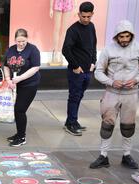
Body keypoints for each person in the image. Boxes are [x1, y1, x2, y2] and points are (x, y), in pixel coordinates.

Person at [90, 20, 139, 170]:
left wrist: (136, 79)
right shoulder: (108, 50)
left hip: (131, 94)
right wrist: (111, 82)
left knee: (128, 126)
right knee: (107, 124)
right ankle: (103, 155)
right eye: (121, 36)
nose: (124, 39)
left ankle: (127, 155)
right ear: (116, 36)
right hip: (112, 93)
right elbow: (98, 71)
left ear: (131, 36)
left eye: (127, 36)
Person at [62, 1, 97, 136]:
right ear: (79, 14)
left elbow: (94, 45)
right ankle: (71, 123)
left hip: (88, 70)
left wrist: (94, 62)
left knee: (79, 96)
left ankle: (72, 121)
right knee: (74, 96)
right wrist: (75, 66)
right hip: (76, 71)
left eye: (89, 16)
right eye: (84, 17)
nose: (86, 19)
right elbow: (65, 50)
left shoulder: (91, 26)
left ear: (92, 14)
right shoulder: (73, 30)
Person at [5, 29, 41, 147]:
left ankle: (21, 137)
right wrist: (8, 79)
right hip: (15, 83)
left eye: (23, 41)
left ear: (27, 39)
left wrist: (20, 78)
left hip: (29, 83)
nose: (21, 43)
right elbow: (6, 65)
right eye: (18, 41)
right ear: (15, 40)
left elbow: (35, 68)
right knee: (17, 109)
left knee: (20, 109)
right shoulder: (11, 49)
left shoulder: (33, 49)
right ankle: (18, 133)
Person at [49, 0, 76, 64]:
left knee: (65, 30)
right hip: (58, 2)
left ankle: (61, 52)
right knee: (56, 29)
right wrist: (50, 8)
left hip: (68, 2)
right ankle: (55, 53)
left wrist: (75, 7)